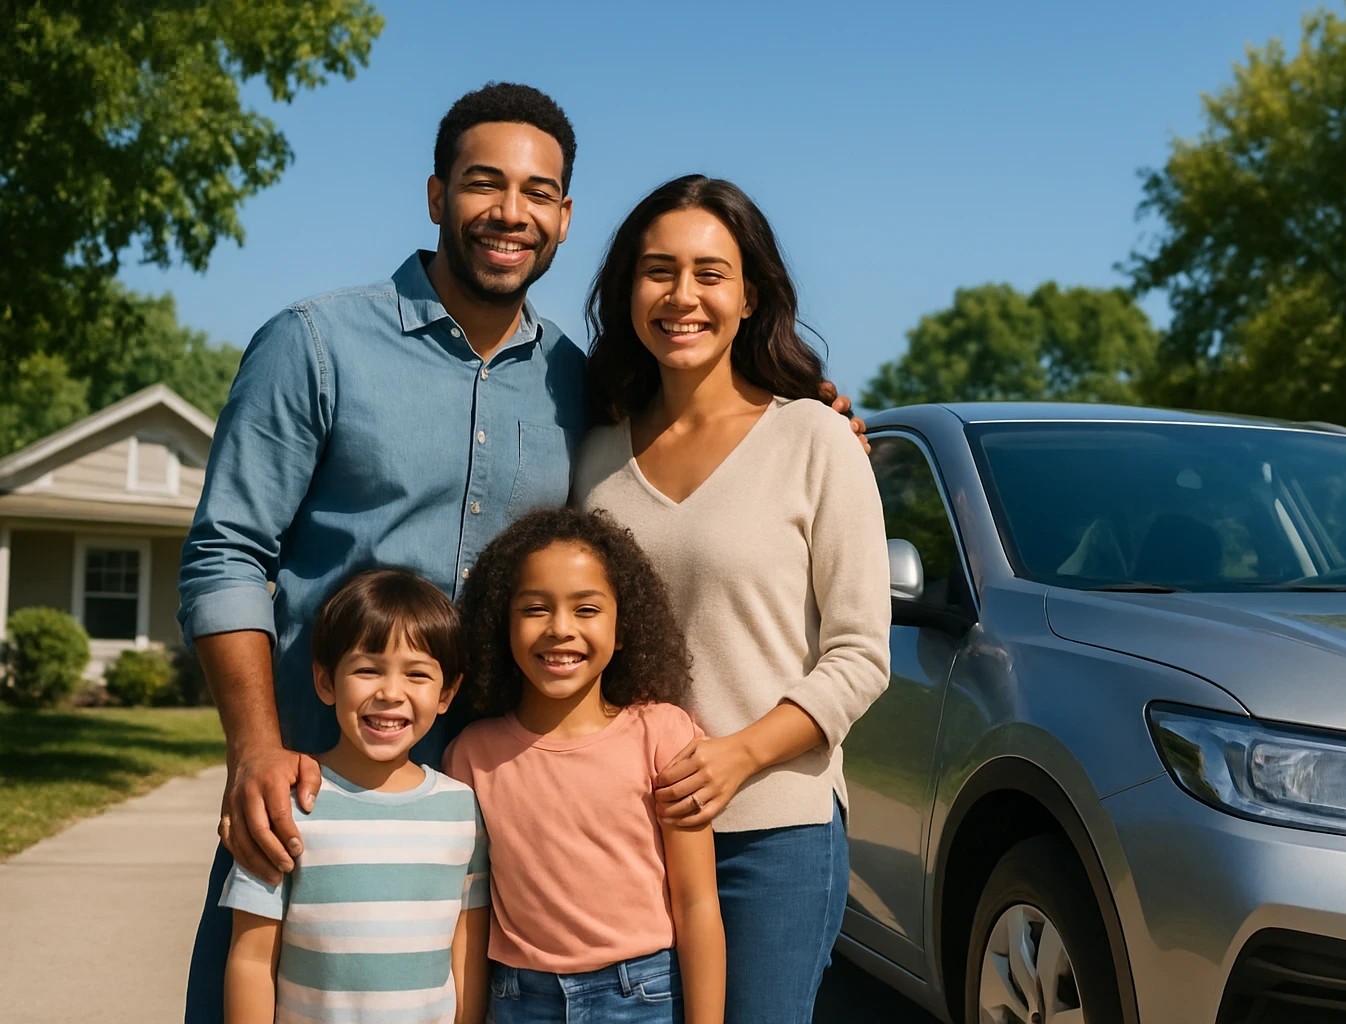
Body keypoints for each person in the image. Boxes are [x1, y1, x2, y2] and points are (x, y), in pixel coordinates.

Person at [179, 80, 860, 1022]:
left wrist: (808, 407)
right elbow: (224, 553)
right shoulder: (317, 345)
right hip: (314, 791)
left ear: (566, 216)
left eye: (538, 193)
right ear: (434, 195)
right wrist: (254, 748)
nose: (510, 213)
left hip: (506, 815)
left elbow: (702, 433)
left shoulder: (578, 390)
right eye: (483, 184)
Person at [573, 175, 892, 1023]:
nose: (683, 296)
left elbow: (861, 655)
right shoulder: (592, 451)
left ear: (751, 296)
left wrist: (739, 755)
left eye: (711, 274)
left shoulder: (816, 438)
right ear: (627, 291)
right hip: (618, 831)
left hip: (772, 833)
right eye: (658, 271)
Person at [444, 508, 725, 1024]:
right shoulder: (469, 756)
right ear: (500, 625)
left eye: (587, 609)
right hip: (517, 1001)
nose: (560, 629)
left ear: (623, 628)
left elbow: (698, 902)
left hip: (644, 997)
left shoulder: (663, 735)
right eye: (534, 609)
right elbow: (471, 915)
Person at [220, 569, 490, 1024]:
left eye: (417, 675)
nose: (390, 693)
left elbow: (467, 947)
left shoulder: (462, 808)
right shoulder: (286, 804)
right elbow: (250, 959)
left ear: (447, 693)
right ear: (325, 681)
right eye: (367, 670)